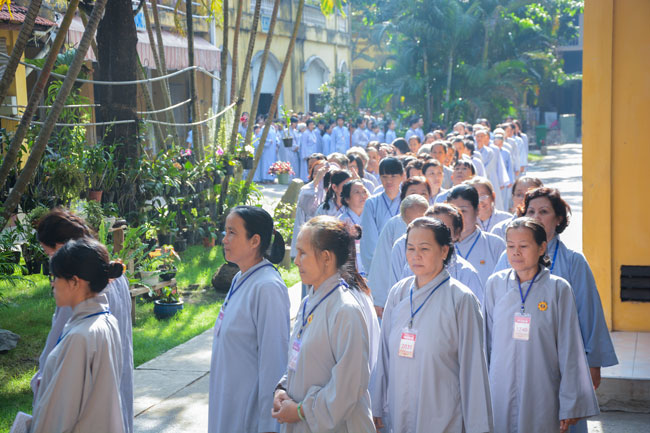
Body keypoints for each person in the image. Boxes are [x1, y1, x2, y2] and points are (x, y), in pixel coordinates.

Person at [492, 188, 617, 433]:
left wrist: (593, 363)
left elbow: (588, 314)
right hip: (513, 360)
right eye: (530, 211)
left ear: (558, 218)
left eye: (544, 211)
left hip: (557, 361)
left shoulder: (573, 261)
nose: (536, 217)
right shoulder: (506, 261)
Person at [372, 217, 493, 433]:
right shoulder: (399, 293)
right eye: (410, 248)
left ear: (444, 251)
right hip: (400, 409)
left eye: (424, 248)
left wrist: (479, 427)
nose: (415, 255)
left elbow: (473, 368)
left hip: (443, 414)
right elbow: (384, 355)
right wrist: (377, 404)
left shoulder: (461, 299)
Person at [272, 217, 376, 433]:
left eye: (303, 253)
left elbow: (349, 385)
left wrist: (301, 410)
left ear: (326, 257)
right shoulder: (308, 302)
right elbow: (299, 359)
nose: (296, 261)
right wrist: (283, 388)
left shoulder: (345, 310)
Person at [34, 209, 133, 433]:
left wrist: (41, 381)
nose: (53, 282)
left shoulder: (79, 327)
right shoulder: (113, 278)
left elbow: (62, 406)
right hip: (112, 389)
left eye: (50, 255)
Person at [209, 206, 290, 433]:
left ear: (255, 241)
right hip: (227, 400)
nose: (224, 239)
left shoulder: (268, 287)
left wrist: (269, 424)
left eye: (232, 232)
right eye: (225, 231)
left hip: (248, 413)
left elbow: (274, 360)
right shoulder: (240, 278)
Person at [367, 184, 431, 318]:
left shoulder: (436, 233)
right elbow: (382, 261)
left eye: (423, 193)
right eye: (413, 192)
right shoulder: (395, 228)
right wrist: (380, 299)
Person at [447, 184, 505, 286]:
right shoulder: (442, 246)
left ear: (477, 210)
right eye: (453, 212)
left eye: (463, 211)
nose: (458, 217)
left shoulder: (495, 244)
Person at [360, 157, 404, 271]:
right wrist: (376, 266)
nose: (389, 181)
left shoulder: (407, 202)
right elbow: (369, 239)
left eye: (393, 176)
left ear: (402, 176)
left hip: (404, 261)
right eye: (384, 176)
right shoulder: (371, 203)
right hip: (379, 262)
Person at [338, 179, 370, 275]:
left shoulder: (372, 217)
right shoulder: (341, 221)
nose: (362, 195)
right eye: (357, 192)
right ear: (347, 199)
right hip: (350, 272)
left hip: (371, 268)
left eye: (364, 192)